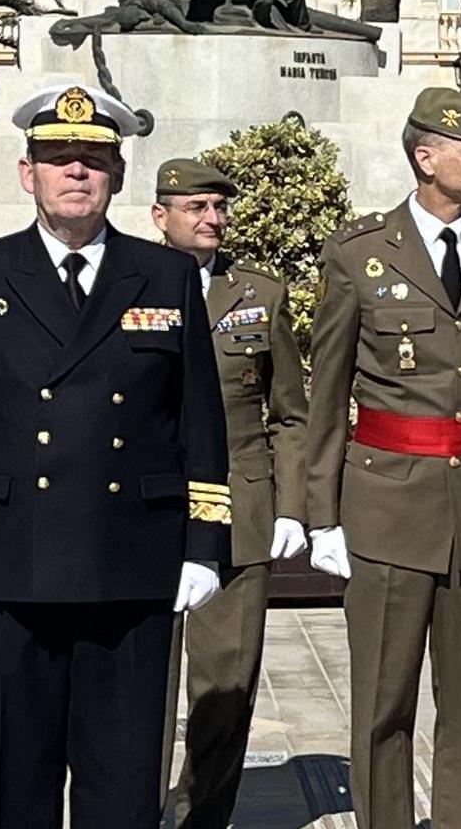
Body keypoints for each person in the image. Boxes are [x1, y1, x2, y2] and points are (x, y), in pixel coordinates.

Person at [0, 84, 229, 829]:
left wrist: (204, 545)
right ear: (27, 174)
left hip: (131, 557)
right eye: (58, 159)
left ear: (118, 175)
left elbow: (199, 420)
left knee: (121, 784)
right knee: (13, 778)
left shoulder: (165, 276)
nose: (76, 173)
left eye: (93, 160)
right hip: (10, 558)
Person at [304, 87, 461, 828]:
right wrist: (321, 514)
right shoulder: (359, 253)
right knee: (383, 702)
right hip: (386, 508)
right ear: (425, 156)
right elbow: (327, 392)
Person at [151, 158, 309, 828]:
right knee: (137, 687)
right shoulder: (127, 282)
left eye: (219, 207)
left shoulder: (258, 294)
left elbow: (291, 413)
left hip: (238, 513)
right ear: (161, 216)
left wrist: (292, 505)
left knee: (225, 682)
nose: (212, 219)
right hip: (144, 512)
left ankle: (201, 815)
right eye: (196, 207)